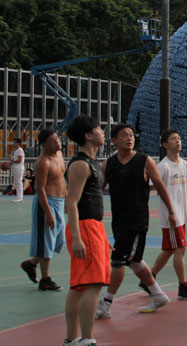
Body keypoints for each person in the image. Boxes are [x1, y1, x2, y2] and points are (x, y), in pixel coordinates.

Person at [96, 124, 175, 319]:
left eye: (131, 135)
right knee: (134, 261)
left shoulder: (144, 161)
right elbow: (97, 190)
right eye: (124, 135)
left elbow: (160, 186)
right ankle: (158, 294)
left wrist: (171, 211)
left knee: (118, 261)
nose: (129, 138)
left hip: (137, 220)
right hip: (119, 220)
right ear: (114, 140)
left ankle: (106, 302)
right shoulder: (109, 164)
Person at [64, 115, 110, 346]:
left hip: (93, 227)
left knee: (80, 284)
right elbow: (71, 203)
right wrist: (77, 238)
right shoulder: (81, 165)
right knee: (92, 284)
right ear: (89, 135)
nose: (102, 132)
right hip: (85, 226)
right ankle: (86, 338)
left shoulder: (92, 163)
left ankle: (72, 339)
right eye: (99, 128)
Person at [141, 129, 187, 300]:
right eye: (173, 139)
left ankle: (148, 278)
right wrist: (170, 211)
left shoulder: (185, 165)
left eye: (179, 138)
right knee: (180, 249)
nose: (178, 141)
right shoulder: (163, 166)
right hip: (171, 216)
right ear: (165, 144)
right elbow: (154, 186)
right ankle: (183, 286)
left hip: (181, 215)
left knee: (169, 250)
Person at [20, 128, 66, 291]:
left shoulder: (59, 156)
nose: (57, 142)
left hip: (59, 201)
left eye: (57, 139)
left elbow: (61, 179)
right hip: (47, 202)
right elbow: (40, 189)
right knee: (47, 240)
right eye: (53, 140)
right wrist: (48, 212)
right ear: (44, 144)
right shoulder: (43, 162)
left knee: (58, 240)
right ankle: (45, 280)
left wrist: (66, 199)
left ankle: (31, 263)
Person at [11, 137, 25, 203]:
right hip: (16, 167)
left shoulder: (20, 150)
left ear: (18, 143)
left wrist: (12, 162)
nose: (13, 144)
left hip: (19, 167)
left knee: (19, 182)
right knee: (17, 182)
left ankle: (20, 197)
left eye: (15, 142)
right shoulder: (16, 150)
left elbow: (20, 160)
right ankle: (18, 197)